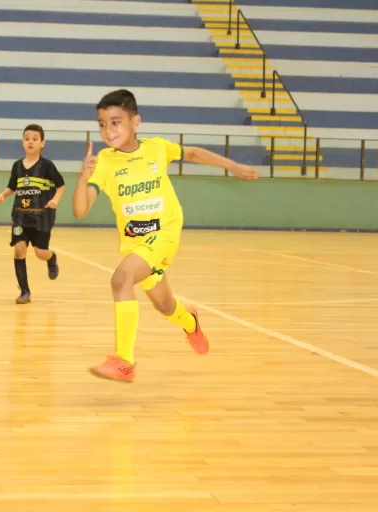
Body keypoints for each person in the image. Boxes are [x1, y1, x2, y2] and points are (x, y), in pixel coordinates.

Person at [72, 88, 260, 382]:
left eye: (116, 121)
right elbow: (80, 211)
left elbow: (194, 153)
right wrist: (83, 177)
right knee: (165, 305)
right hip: (135, 242)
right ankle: (190, 321)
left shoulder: (156, 148)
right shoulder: (104, 163)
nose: (108, 130)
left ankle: (125, 361)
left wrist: (234, 166)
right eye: (102, 124)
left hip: (165, 233)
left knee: (121, 279)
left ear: (136, 121)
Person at [0, 124, 65, 304]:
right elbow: (13, 186)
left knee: (40, 252)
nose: (30, 142)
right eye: (27, 138)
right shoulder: (17, 166)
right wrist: (4, 194)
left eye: (35, 139)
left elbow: (61, 186)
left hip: (42, 217)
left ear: (42, 143)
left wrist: (55, 200)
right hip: (20, 217)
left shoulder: (47, 166)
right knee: (19, 249)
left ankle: (52, 257)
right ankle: (25, 291)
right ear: (23, 142)